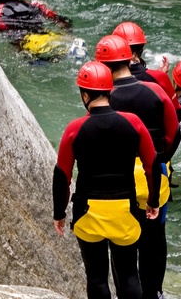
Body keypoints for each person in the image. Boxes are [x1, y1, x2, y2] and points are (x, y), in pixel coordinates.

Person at [52, 60, 160, 299]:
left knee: (97, 277)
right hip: (125, 211)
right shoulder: (133, 123)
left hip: (88, 212)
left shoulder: (74, 129)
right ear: (110, 90)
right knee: (129, 275)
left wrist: (59, 213)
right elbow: (151, 165)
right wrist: (153, 201)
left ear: (84, 94)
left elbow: (62, 175)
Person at [95, 35, 178, 299]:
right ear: (130, 59)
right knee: (155, 238)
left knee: (123, 243)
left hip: (118, 177)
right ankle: (155, 292)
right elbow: (174, 131)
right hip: (154, 171)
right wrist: (161, 159)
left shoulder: (104, 98)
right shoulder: (154, 89)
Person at [112, 21, 181, 121]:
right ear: (141, 48)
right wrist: (160, 78)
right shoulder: (158, 78)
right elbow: (178, 113)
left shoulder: (107, 81)